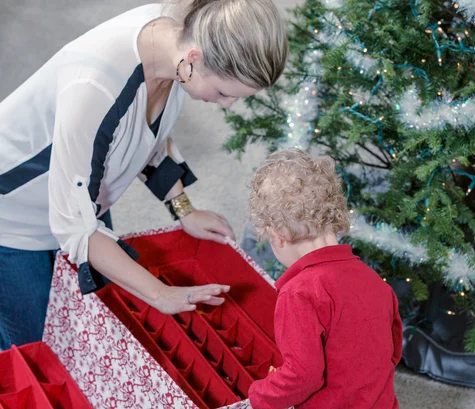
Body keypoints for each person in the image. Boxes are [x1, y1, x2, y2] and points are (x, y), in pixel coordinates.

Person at [0, 0, 288, 351]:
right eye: (225, 93)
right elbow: (76, 229)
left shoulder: (175, 43)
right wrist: (159, 294)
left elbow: (144, 135)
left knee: (80, 318)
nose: (227, 105)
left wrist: (183, 208)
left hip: (83, 193)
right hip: (12, 217)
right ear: (195, 59)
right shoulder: (96, 86)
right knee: (31, 345)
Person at [246, 149, 402, 409]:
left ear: (278, 234)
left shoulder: (298, 294)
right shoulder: (374, 281)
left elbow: (302, 376)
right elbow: (393, 351)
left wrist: (259, 395)